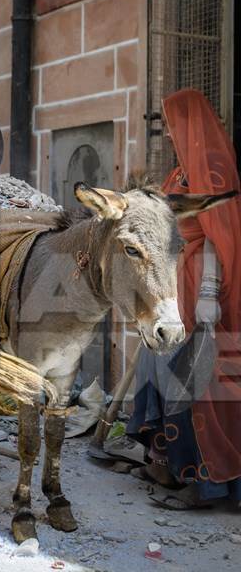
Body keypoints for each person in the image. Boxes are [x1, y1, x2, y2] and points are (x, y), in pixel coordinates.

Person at [126, 88, 241, 508]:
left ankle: (203, 485)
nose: (171, 132)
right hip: (171, 290)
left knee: (194, 387)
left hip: (199, 294)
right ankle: (169, 465)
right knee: (156, 373)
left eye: (176, 124)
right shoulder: (179, 173)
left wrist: (209, 295)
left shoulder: (211, 171)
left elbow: (219, 237)